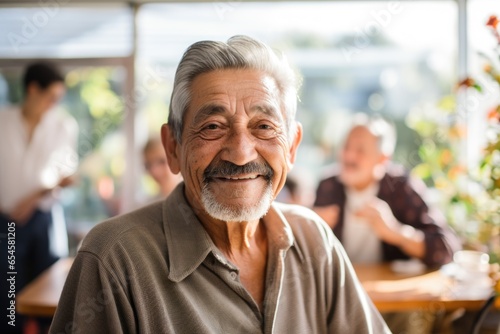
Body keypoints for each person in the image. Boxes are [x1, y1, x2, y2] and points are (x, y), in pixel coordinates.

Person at [49, 36, 390, 334]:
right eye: (212, 126)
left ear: (292, 147)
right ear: (173, 148)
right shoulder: (114, 257)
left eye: (264, 126)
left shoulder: (315, 242)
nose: (241, 154)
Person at [313, 114, 461, 333]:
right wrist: (312, 224)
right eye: (346, 147)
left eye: (360, 150)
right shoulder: (328, 187)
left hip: (395, 301)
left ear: (382, 159)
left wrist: (396, 232)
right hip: (343, 296)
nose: (349, 155)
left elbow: (445, 249)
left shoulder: (400, 187)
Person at [0, 62, 78, 334]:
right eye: (52, 97)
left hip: (43, 218)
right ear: (33, 89)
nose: (55, 103)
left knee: (49, 291)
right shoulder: (2, 121)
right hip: (6, 222)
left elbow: (67, 176)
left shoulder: (63, 126)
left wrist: (31, 200)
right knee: (9, 293)